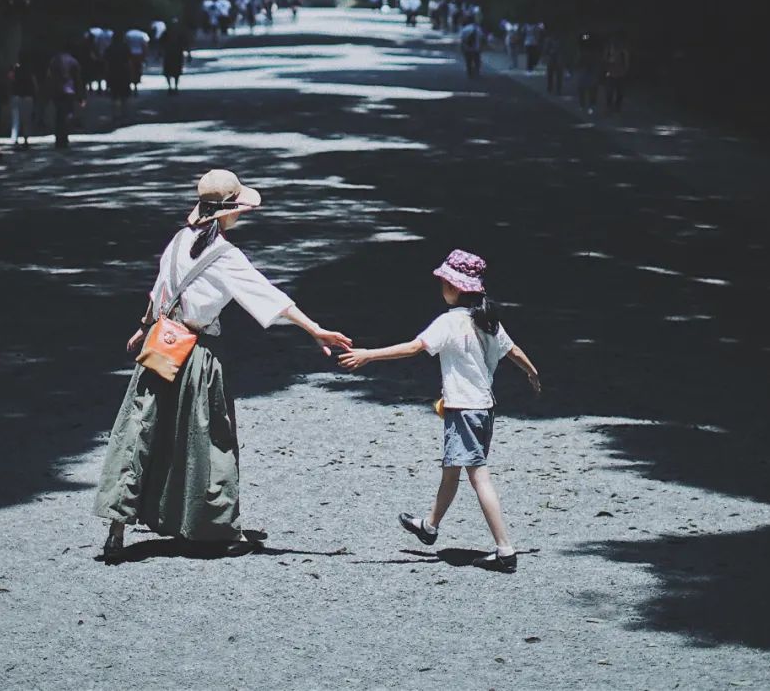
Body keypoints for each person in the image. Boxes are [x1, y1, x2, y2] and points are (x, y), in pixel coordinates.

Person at [94, 169, 352, 560]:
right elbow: (269, 296)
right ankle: (210, 526)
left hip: (161, 346)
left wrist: (143, 327)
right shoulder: (226, 257)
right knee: (209, 438)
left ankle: (118, 527)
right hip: (195, 353)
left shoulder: (179, 240)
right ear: (228, 211)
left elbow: (159, 290)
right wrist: (315, 329)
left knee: (142, 430)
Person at [339, 248, 540, 573]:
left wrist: (368, 355)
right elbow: (513, 351)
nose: (441, 287)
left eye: (445, 282)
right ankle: (429, 527)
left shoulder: (451, 322)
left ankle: (505, 550)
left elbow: (414, 347)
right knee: (452, 470)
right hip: (484, 410)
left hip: (464, 410)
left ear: (456, 288)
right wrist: (532, 372)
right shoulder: (487, 320)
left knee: (478, 476)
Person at [47, 47, 84, 149]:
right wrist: (80, 95)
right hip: (69, 91)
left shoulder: (54, 60)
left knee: (59, 115)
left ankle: (59, 139)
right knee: (68, 114)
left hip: (57, 90)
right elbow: (77, 79)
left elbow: (50, 76)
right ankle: (65, 137)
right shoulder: (73, 61)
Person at [9, 56, 37, 147]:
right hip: (27, 96)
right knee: (26, 119)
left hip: (16, 95)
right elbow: (34, 83)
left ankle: (15, 139)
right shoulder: (30, 70)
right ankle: (25, 139)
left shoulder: (14, 69)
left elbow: (10, 81)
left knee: (15, 119)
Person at [576, 32, 602, 115]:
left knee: (590, 88)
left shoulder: (590, 40)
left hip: (590, 68)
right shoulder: (585, 41)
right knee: (585, 87)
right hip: (586, 68)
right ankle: (586, 105)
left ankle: (588, 105)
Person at [603, 33, 630, 111]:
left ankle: (617, 107)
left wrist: (625, 70)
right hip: (611, 72)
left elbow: (627, 61)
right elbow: (604, 59)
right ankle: (610, 106)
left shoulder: (623, 50)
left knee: (620, 91)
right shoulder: (609, 49)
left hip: (620, 73)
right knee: (610, 91)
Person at [161, 20, 188, 92]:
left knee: (171, 71)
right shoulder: (179, 32)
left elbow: (161, 43)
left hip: (171, 53)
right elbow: (186, 43)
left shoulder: (167, 32)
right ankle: (174, 87)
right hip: (175, 54)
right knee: (175, 71)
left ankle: (172, 87)